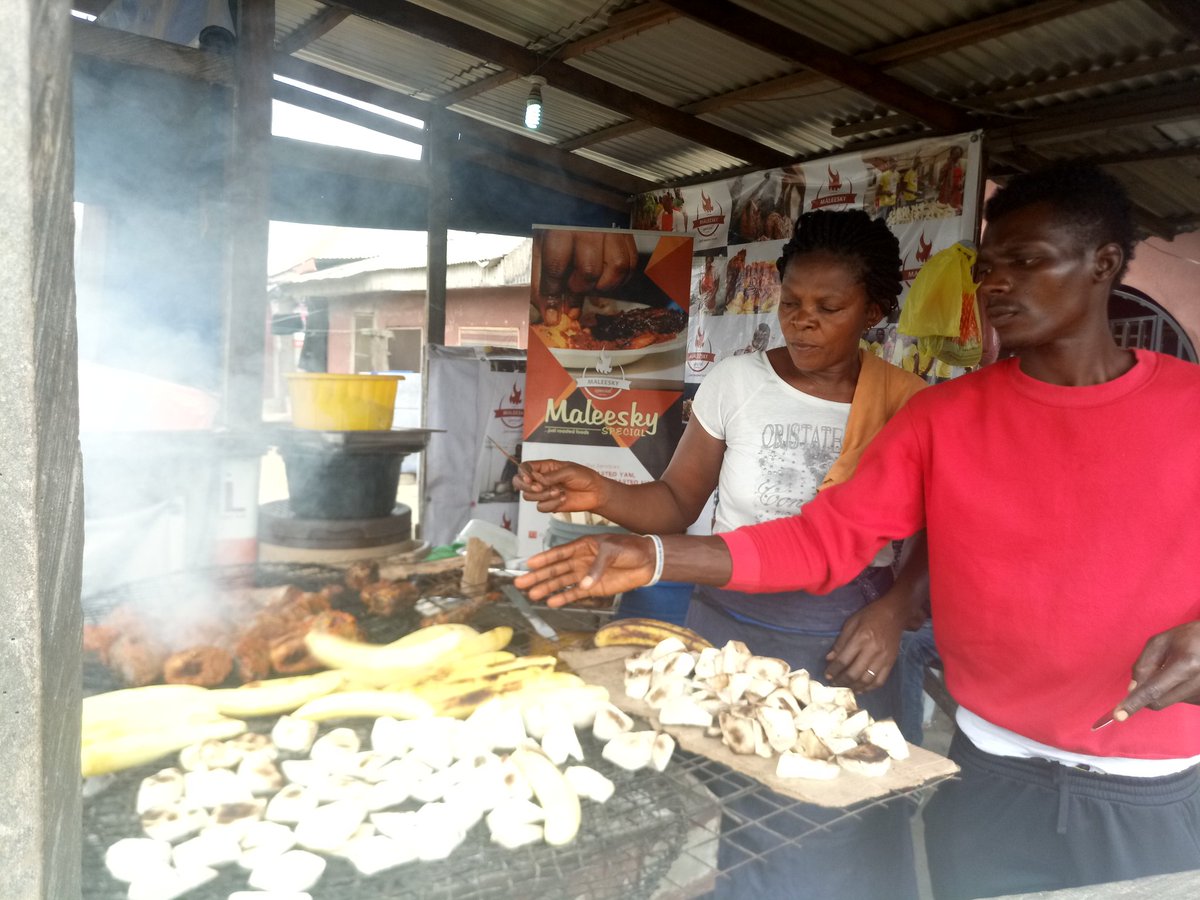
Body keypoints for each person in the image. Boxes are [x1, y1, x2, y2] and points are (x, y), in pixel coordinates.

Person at [515, 162, 1200, 900]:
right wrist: (649, 553)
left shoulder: (1188, 408)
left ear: (1103, 264)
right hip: (987, 766)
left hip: (1150, 783)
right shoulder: (944, 418)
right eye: (990, 267)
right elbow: (820, 541)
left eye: (1026, 263)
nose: (996, 286)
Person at [516, 209, 931, 899]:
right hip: (731, 630)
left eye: (828, 308)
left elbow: (932, 540)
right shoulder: (738, 382)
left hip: (845, 639)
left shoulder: (907, 403)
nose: (802, 322)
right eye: (791, 303)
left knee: (834, 818)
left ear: (875, 311)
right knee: (742, 814)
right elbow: (677, 502)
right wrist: (604, 494)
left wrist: (893, 609)